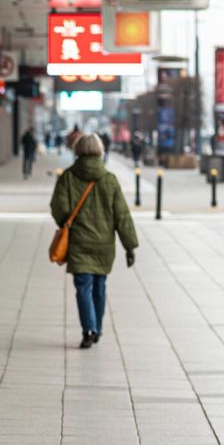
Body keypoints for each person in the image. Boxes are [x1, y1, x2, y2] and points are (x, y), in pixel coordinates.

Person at [51, 133, 138, 349]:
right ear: (100, 151)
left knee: (83, 287)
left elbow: (58, 207)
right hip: (104, 245)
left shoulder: (69, 177)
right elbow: (122, 215)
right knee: (100, 286)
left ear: (78, 150)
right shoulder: (109, 180)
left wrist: (69, 221)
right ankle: (96, 328)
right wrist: (130, 245)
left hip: (79, 243)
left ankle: (88, 329)